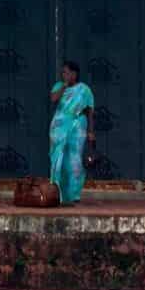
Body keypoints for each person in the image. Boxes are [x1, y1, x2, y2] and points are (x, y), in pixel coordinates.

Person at [48, 60, 95, 204]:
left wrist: (91, 131)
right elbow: (53, 99)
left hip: (78, 126)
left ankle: (73, 194)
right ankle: (57, 192)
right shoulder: (59, 86)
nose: (64, 75)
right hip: (59, 127)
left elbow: (90, 111)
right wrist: (64, 85)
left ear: (75, 74)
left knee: (74, 160)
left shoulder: (85, 90)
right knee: (57, 159)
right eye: (63, 72)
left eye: (67, 72)